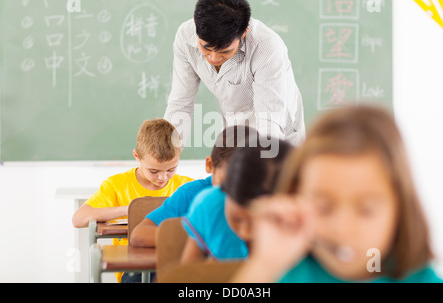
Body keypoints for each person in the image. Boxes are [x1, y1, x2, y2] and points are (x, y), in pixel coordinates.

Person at [232, 105, 443, 283]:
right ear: (296, 197)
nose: (342, 229)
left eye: (366, 210)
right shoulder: (288, 273)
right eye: (323, 207)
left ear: (400, 209)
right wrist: (264, 265)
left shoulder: (422, 279)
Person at [164, 0, 305, 147]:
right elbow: (181, 103)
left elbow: (269, 122)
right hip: (236, 134)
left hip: (280, 136)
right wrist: (166, 156)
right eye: (205, 48)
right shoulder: (185, 37)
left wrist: (266, 164)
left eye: (225, 51)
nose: (214, 58)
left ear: (244, 32)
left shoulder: (267, 47)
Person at [71, 118, 192, 282]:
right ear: (137, 156)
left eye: (171, 169)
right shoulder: (117, 185)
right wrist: (129, 210)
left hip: (176, 261)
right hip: (134, 267)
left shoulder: (186, 186)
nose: (163, 177)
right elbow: (78, 219)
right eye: (154, 171)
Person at [129, 125, 259, 248]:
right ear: (210, 165)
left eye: (249, 181)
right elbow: (139, 235)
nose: (236, 190)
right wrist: (198, 236)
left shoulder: (264, 198)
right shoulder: (190, 194)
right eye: (227, 183)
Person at [180, 138, 293, 263]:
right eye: (236, 218)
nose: (245, 233)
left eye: (257, 223)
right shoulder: (210, 204)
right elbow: (186, 275)